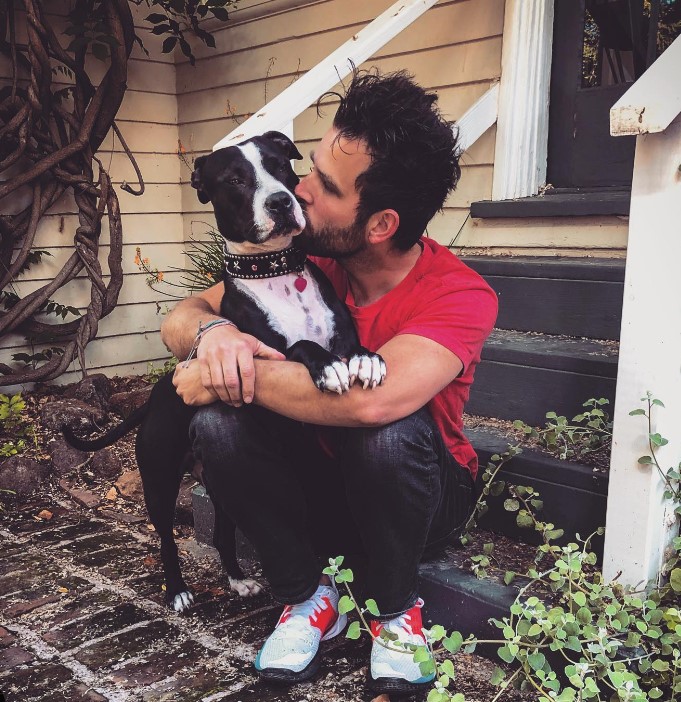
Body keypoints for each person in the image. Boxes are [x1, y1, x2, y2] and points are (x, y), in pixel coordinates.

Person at [162, 69, 498, 695]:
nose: (300, 192)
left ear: (379, 225)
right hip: (318, 476)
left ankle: (397, 612)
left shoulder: (459, 294)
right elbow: (183, 315)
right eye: (307, 170)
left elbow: (377, 404)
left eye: (323, 185)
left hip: (419, 490)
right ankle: (308, 598)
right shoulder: (303, 258)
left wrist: (229, 380)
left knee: (384, 432)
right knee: (216, 425)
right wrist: (213, 342)